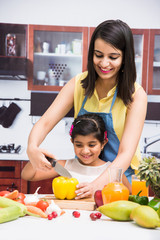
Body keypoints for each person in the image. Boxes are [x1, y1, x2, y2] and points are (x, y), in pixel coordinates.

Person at [26, 19, 147, 199]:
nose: (104, 63)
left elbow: (125, 154)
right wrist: (32, 147)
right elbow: (45, 123)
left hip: (122, 178)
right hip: (87, 174)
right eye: (99, 55)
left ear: (125, 58)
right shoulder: (78, 84)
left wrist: (97, 184)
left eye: (113, 57)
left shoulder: (136, 95)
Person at [21, 113, 131, 195]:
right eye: (79, 145)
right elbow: (28, 175)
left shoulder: (112, 170)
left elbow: (130, 194)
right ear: (72, 142)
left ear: (103, 143)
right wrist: (36, 156)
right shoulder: (65, 166)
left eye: (91, 145)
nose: (85, 151)